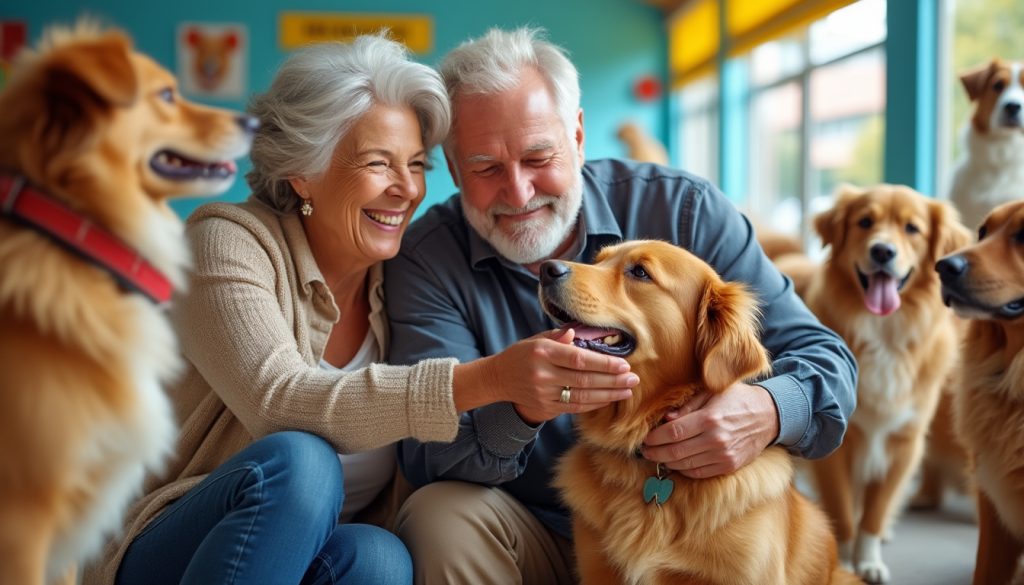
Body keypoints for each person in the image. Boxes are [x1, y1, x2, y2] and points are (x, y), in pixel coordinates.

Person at [86, 33, 638, 585]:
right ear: (303, 170)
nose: (406, 189)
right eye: (379, 163)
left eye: (416, 164)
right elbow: (280, 403)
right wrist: (492, 378)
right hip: (175, 552)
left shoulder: (398, 275)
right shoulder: (224, 242)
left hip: (315, 561)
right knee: (303, 466)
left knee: (380, 558)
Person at [384, 27, 859, 584]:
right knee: (439, 515)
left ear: (578, 135)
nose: (517, 192)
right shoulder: (424, 260)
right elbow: (424, 448)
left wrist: (766, 410)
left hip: (700, 508)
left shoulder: (684, 210)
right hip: (529, 524)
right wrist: (516, 403)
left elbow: (824, 357)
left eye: (539, 156)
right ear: (454, 164)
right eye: (486, 168)